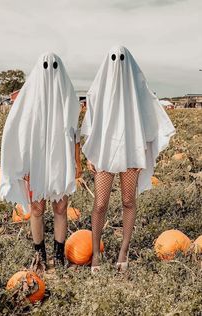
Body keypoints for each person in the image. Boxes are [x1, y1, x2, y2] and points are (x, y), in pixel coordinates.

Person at [81, 45, 176, 273]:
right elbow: (91, 122)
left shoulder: (138, 89)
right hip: (104, 151)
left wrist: (145, 146)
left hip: (132, 151)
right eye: (114, 58)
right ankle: (95, 253)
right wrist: (90, 154)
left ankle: (123, 252)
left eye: (121, 58)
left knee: (128, 201)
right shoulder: (98, 90)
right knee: (100, 203)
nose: (118, 63)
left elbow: (150, 113)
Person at [0, 52, 81, 272]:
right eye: (45, 66)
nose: (50, 70)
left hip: (60, 160)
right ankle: (39, 254)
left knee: (61, 207)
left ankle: (58, 253)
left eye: (54, 66)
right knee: (37, 209)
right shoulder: (29, 100)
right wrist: (23, 165)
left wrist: (76, 161)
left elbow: (75, 133)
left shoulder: (68, 97)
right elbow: (19, 131)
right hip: (35, 160)